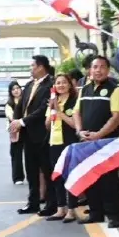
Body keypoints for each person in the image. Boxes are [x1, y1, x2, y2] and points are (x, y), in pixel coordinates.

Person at [72, 55, 119, 228]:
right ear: (90, 70)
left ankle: (114, 216)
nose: (98, 70)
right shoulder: (84, 89)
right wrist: (80, 131)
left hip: (107, 142)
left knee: (109, 179)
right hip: (86, 142)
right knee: (91, 176)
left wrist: (99, 134)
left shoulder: (116, 90)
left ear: (108, 70)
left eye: (102, 67)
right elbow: (76, 112)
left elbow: (117, 117)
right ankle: (96, 212)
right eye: (95, 67)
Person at [11, 55, 56, 216]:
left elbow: (44, 109)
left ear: (41, 67)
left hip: (43, 134)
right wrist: (15, 122)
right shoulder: (29, 84)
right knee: (30, 170)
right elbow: (21, 106)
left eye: (32, 66)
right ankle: (33, 202)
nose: (31, 69)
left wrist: (22, 121)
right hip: (27, 135)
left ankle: (52, 204)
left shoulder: (51, 84)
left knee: (47, 169)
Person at [45, 72, 80, 222]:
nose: (61, 85)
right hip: (54, 142)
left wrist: (59, 112)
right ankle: (61, 208)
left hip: (69, 142)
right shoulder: (54, 100)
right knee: (57, 176)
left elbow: (74, 124)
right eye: (58, 83)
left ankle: (71, 210)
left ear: (70, 84)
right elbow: (47, 125)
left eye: (63, 82)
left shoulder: (74, 101)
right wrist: (51, 112)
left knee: (70, 176)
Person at [6, 81, 25, 185]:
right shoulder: (9, 104)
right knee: (16, 154)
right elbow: (11, 117)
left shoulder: (26, 100)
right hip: (15, 131)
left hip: (27, 129)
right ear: (10, 92)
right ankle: (18, 177)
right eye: (13, 89)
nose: (16, 90)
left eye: (17, 88)